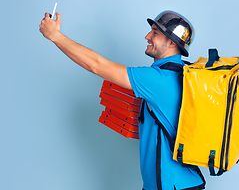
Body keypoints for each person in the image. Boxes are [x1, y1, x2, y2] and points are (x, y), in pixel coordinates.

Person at [39, 10, 205, 190]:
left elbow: (96, 65)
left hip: (170, 186)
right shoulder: (182, 74)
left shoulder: (158, 79)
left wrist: (55, 36)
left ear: (172, 42)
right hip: (178, 183)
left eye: (155, 33)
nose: (147, 36)